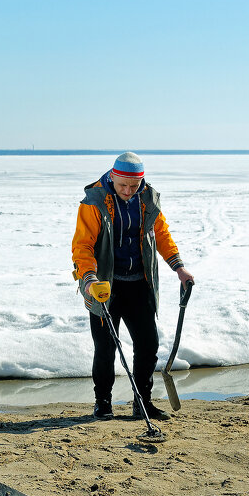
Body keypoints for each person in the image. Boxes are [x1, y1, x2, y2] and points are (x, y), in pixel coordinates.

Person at [72, 152, 194, 421]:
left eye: (133, 186)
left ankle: (143, 402)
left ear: (141, 181)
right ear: (112, 177)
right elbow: (83, 246)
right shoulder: (94, 202)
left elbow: (160, 234)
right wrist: (89, 278)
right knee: (105, 348)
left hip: (139, 283)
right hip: (103, 286)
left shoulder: (148, 199)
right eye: (122, 185)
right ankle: (103, 403)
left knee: (148, 344)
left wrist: (178, 266)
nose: (128, 191)